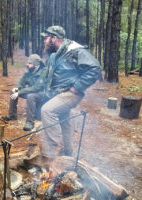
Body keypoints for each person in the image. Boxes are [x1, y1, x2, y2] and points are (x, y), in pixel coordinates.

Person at [39, 25, 102, 159]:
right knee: (64, 120)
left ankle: (55, 152)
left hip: (71, 93)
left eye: (46, 38)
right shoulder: (57, 53)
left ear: (54, 38)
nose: (44, 41)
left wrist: (77, 86)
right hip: (59, 93)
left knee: (47, 110)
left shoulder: (74, 50)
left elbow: (95, 68)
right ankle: (68, 154)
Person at [2, 54, 47, 131]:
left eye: (30, 63)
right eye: (28, 62)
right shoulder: (29, 70)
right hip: (31, 91)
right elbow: (21, 82)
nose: (27, 64)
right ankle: (12, 115)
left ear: (35, 65)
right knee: (13, 92)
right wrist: (16, 88)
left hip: (42, 94)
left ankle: (30, 122)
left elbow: (36, 88)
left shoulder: (43, 72)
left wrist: (19, 92)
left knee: (30, 96)